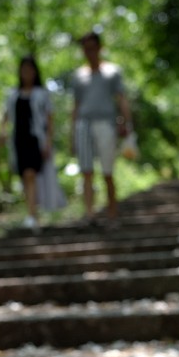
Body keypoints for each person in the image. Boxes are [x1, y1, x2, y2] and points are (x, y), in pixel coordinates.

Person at [70, 31, 133, 224]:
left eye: (92, 48)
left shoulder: (112, 72)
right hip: (83, 124)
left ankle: (112, 213)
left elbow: (121, 99)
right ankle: (89, 214)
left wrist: (127, 123)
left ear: (99, 47)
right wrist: (71, 133)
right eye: (85, 49)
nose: (89, 52)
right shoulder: (78, 76)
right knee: (86, 171)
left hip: (106, 123)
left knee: (107, 171)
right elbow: (75, 106)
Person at [1, 54, 65, 232]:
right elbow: (5, 116)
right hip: (18, 141)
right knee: (24, 177)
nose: (26, 73)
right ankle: (32, 214)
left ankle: (32, 215)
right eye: (24, 70)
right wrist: (2, 132)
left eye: (30, 70)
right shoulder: (13, 94)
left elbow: (50, 120)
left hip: (35, 140)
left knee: (31, 174)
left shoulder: (42, 94)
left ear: (35, 72)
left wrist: (48, 143)